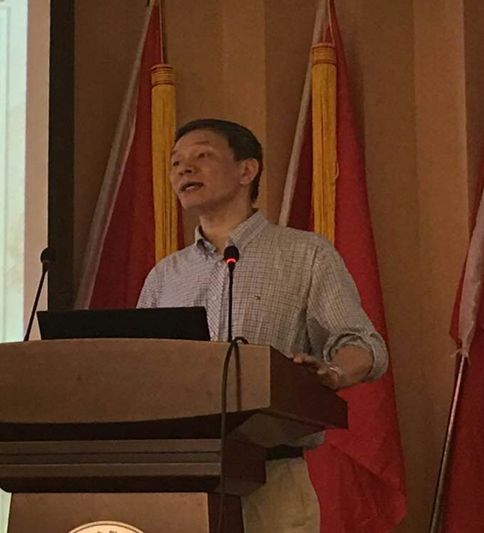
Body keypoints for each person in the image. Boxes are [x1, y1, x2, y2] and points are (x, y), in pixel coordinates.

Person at [137, 118, 388, 533]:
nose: (184, 169)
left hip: (273, 475)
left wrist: (334, 372)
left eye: (202, 155)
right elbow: (138, 367)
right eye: (176, 162)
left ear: (246, 170)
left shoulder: (305, 254)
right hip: (179, 479)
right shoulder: (165, 275)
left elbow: (362, 342)